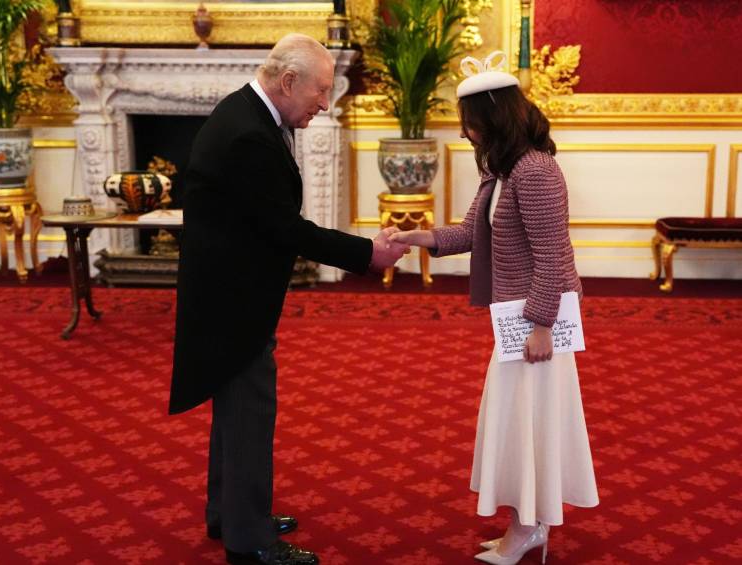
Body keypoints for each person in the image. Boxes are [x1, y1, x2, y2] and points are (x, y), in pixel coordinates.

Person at [169, 33, 408, 565]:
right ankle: (250, 541)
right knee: (249, 413)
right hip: (234, 305)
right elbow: (285, 229)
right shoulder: (249, 135)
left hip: (225, 294)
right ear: (288, 81)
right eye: (321, 92)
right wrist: (368, 253)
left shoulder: (246, 114)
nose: (324, 105)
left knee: (234, 413)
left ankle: (230, 513)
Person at [389, 51, 599, 564]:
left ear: (491, 118)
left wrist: (542, 325)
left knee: (529, 423)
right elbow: (470, 233)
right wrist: (417, 235)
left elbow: (554, 253)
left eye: (468, 124)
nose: (463, 134)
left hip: (534, 321)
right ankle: (527, 526)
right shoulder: (501, 172)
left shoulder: (536, 171)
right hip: (515, 318)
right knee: (516, 422)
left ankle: (528, 528)